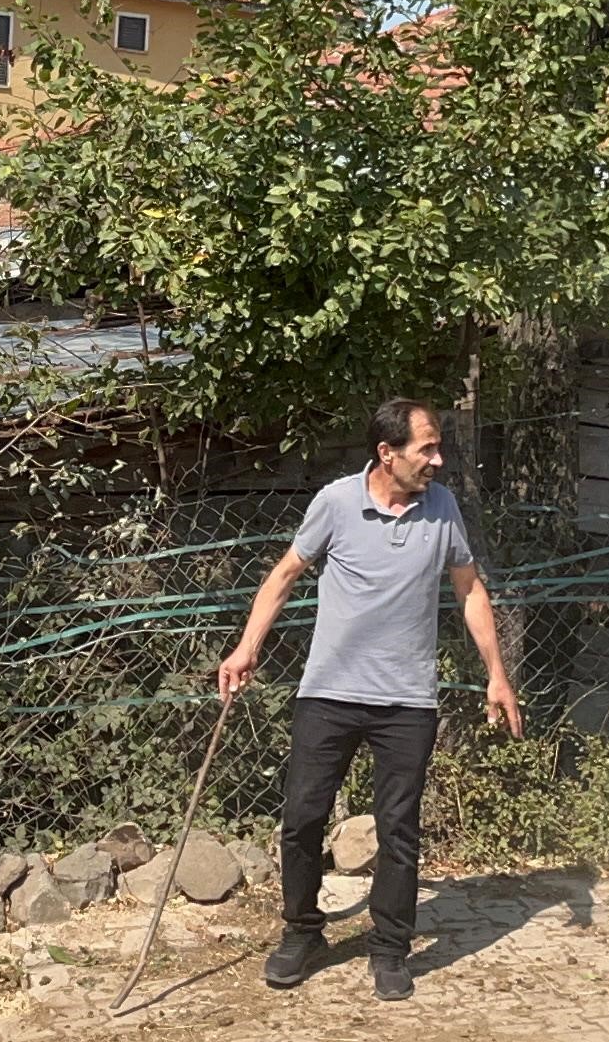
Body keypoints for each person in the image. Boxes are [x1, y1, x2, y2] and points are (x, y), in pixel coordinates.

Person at [216, 397, 520, 1002]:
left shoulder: (443, 508)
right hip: (328, 693)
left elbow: (469, 590)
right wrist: (247, 647)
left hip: (407, 701)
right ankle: (304, 933)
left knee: (398, 828)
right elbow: (283, 576)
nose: (438, 459)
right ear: (388, 453)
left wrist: (497, 674)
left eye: (437, 447)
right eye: (426, 449)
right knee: (302, 819)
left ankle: (389, 947)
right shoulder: (335, 503)